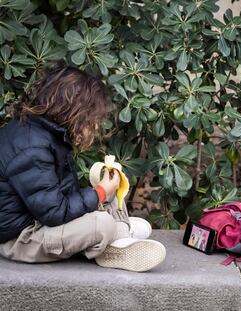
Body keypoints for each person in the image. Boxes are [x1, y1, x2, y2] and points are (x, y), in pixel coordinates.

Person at [0, 64, 166, 272]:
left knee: (110, 194)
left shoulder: (45, 133)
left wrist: (103, 191)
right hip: (22, 238)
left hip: (41, 221)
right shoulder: (32, 148)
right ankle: (117, 239)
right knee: (101, 223)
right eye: (92, 119)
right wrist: (100, 192)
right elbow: (55, 213)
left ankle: (119, 234)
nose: (95, 127)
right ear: (74, 112)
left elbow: (60, 197)